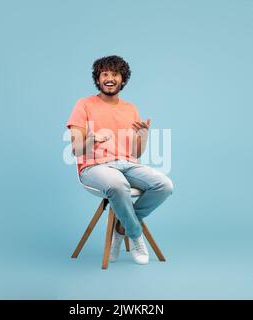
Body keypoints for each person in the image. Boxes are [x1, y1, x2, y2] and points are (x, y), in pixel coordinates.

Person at [66, 55, 173, 265]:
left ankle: (122, 227)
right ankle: (135, 234)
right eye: (104, 74)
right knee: (116, 184)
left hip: (127, 164)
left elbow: (136, 153)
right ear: (98, 80)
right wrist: (91, 139)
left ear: (122, 79)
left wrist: (143, 136)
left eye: (114, 74)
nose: (109, 78)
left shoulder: (130, 108)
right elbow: (76, 150)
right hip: (94, 167)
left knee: (164, 186)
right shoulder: (84, 105)